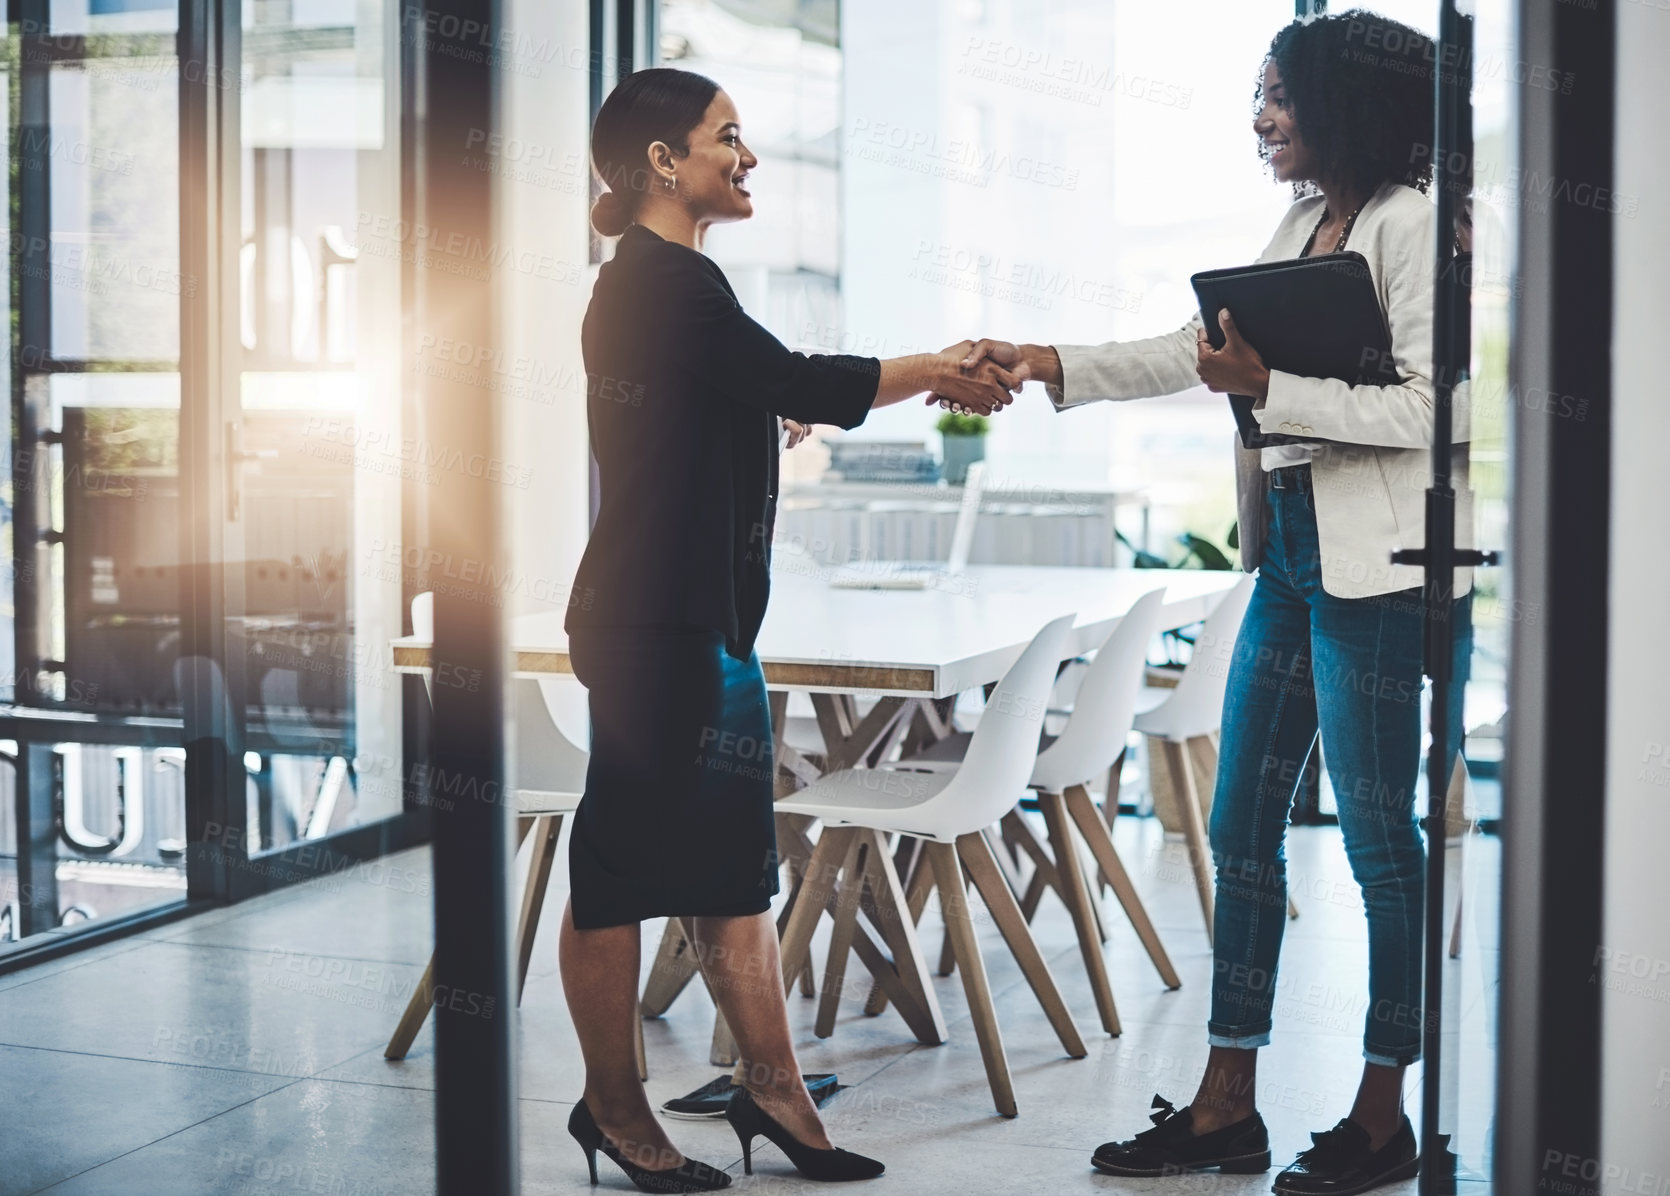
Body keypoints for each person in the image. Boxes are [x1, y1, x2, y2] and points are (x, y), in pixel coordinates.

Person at [952, 12, 1473, 1194]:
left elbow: (1428, 413)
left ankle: (1381, 1113)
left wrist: (1271, 387)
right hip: (1288, 554)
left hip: (1375, 569)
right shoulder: (1304, 223)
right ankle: (1225, 1102)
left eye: (1279, 96)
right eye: (1257, 94)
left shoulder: (1410, 224)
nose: (1260, 118)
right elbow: (1191, 352)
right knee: (1238, 827)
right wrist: (1046, 359)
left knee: (1379, 845)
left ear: (1345, 101)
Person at [563, 67, 1024, 1192]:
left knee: (729, 869)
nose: (748, 154)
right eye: (728, 136)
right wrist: (939, 369)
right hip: (651, 625)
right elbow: (796, 377)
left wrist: (757, 422)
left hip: (696, 622)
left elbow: (718, 413)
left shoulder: (674, 287)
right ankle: (616, 1110)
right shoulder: (661, 282)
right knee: (619, 871)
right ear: (663, 162)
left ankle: (775, 1094)